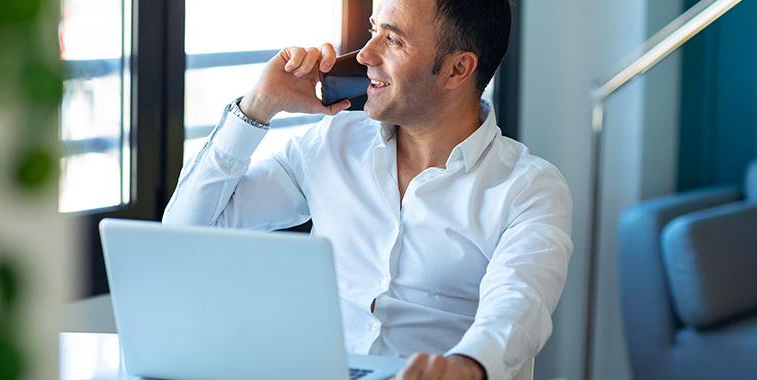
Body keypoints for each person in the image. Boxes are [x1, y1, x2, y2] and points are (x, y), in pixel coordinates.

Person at [163, 0, 573, 378]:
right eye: (373, 30)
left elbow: (519, 304)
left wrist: (466, 366)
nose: (364, 56)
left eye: (393, 40)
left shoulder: (529, 188)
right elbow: (184, 231)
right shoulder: (331, 143)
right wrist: (258, 105)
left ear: (457, 69)